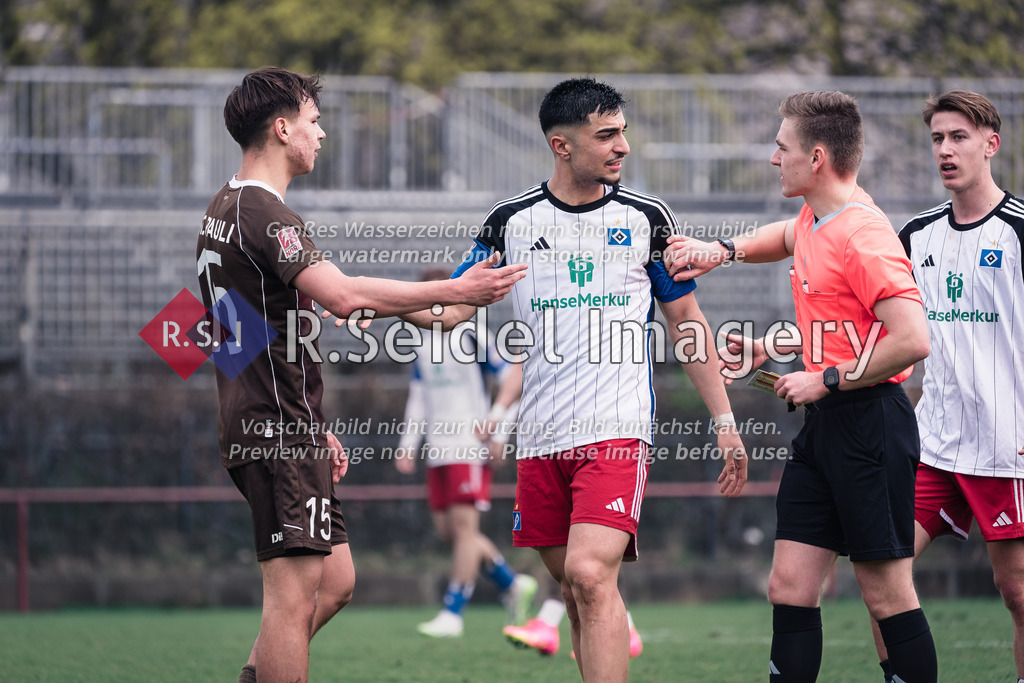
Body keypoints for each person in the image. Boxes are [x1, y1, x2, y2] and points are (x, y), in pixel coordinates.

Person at [403, 76, 748, 682]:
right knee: (575, 584)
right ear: (562, 146)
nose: (623, 147)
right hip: (539, 439)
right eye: (607, 135)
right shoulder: (509, 223)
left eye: (623, 133)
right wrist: (361, 299)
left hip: (617, 430)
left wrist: (724, 423)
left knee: (590, 577)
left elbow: (687, 325)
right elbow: (453, 307)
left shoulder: (647, 219)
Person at [197, 67, 527, 683]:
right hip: (276, 434)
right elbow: (345, 297)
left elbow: (228, 333)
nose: (321, 134)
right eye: (314, 122)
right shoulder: (267, 215)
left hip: (281, 425)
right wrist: (455, 289)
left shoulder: (223, 208)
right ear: (281, 127)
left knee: (337, 582)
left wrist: (306, 419)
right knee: (292, 601)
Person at [666, 91, 937, 682]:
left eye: (781, 147)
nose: (773, 158)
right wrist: (724, 252)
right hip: (826, 427)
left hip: (871, 424)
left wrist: (827, 379)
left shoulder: (863, 233)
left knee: (886, 594)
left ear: (816, 158)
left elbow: (911, 338)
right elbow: (788, 237)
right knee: (788, 586)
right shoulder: (818, 216)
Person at [866, 91, 1024, 683]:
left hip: (1008, 447)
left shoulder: (1017, 231)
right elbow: (871, 325)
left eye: (959, 136)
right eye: (937, 138)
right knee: (881, 573)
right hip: (934, 444)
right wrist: (775, 350)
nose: (946, 150)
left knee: (1016, 594)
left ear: (991, 144)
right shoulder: (917, 235)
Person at [395, 271, 537, 638]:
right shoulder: (421, 341)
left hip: (469, 444)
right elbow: (419, 397)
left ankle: (453, 611)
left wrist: (498, 432)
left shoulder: (474, 336)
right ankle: (511, 583)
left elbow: (512, 383)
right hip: (437, 449)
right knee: (451, 533)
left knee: (464, 530)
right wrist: (408, 444)